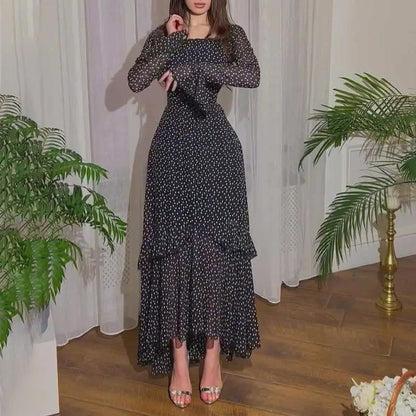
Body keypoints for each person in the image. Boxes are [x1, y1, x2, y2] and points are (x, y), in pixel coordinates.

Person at [127, 0, 261, 409]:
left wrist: (194, 70)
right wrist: (171, 43)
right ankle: (180, 363)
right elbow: (136, 80)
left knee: (215, 255)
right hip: (172, 151)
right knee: (173, 255)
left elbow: (251, 75)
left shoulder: (231, 35)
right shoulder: (165, 34)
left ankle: (213, 359)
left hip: (217, 151)